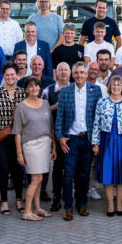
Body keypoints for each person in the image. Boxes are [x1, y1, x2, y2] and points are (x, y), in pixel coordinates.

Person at [55, 62, 103, 221]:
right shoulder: (66, 91)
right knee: (68, 174)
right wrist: (60, 137)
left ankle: (82, 204)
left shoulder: (95, 90)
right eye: (76, 72)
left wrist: (96, 141)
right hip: (71, 140)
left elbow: (98, 117)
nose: (79, 75)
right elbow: (60, 116)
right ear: (73, 74)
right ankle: (68, 207)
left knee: (84, 174)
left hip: (87, 139)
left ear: (87, 74)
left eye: (82, 72)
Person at [0, 63, 26, 215]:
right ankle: (4, 201)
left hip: (18, 138)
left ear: (16, 75)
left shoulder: (22, 93)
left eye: (12, 74)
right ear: (4, 76)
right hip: (2, 138)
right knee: (2, 169)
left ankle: (19, 199)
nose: (10, 77)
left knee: (18, 170)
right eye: (7, 75)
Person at [14, 76, 56, 221]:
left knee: (40, 178)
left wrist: (54, 147)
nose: (34, 88)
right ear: (26, 89)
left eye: (36, 86)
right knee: (36, 178)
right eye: (31, 86)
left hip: (45, 144)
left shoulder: (45, 103)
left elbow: (51, 127)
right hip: (31, 145)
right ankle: (27, 211)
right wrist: (19, 153)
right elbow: (17, 132)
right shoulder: (21, 106)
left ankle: (37, 208)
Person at [92, 76, 122, 216]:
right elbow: (96, 123)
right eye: (114, 85)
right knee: (107, 174)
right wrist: (95, 143)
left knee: (121, 175)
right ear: (110, 87)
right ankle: (110, 204)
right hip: (106, 141)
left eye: (118, 85)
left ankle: (119, 204)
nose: (116, 87)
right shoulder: (102, 102)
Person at [42, 62, 72, 211]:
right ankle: (56, 197)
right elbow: (41, 111)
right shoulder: (48, 90)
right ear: (56, 73)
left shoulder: (76, 89)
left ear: (70, 72)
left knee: (71, 168)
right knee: (58, 167)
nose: (63, 72)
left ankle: (70, 197)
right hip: (55, 134)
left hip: (73, 135)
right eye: (61, 70)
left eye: (66, 70)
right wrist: (56, 106)